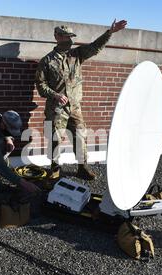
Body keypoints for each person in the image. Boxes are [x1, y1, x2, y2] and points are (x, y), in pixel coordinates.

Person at [35, 19, 127, 180]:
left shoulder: (76, 55)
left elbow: (95, 47)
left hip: (75, 107)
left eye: (71, 36)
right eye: (65, 36)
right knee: (55, 138)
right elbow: (40, 84)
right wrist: (55, 94)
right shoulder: (47, 61)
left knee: (80, 136)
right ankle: (55, 168)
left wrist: (109, 32)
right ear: (56, 37)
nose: (69, 40)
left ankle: (82, 167)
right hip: (56, 108)